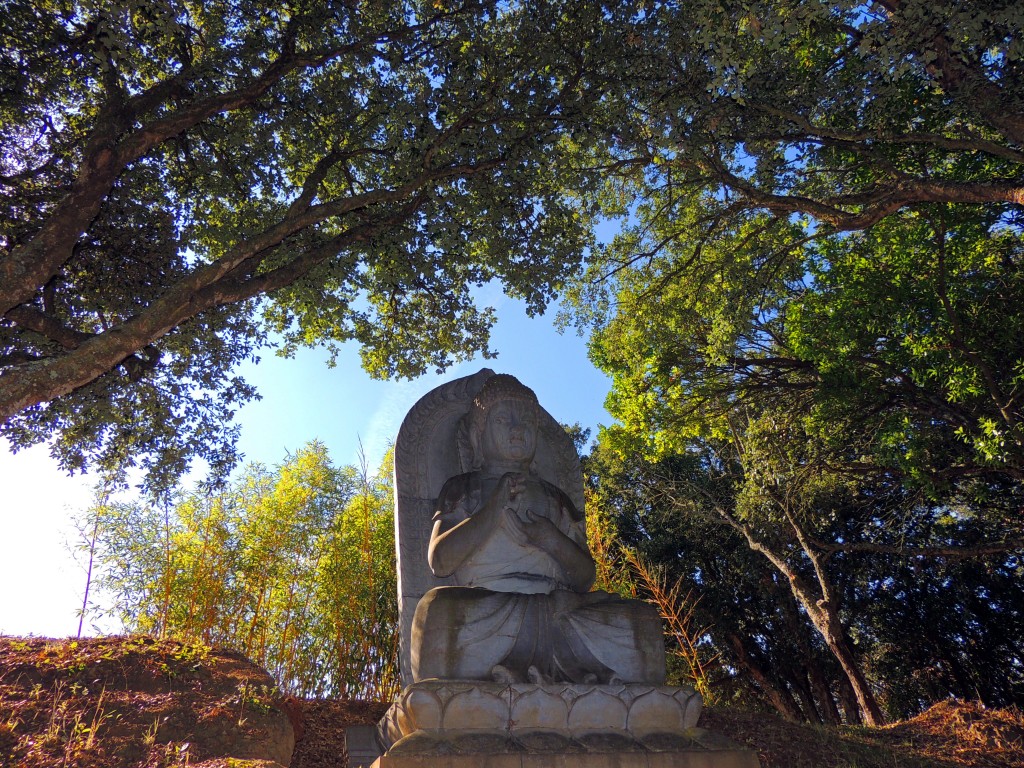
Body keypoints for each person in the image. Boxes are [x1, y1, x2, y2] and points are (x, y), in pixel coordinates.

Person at [411, 374, 666, 685]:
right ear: (478, 436)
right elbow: (440, 561)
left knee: (642, 620)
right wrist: (493, 507)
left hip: (562, 609)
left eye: (527, 422)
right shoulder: (464, 487)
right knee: (438, 612)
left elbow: (585, 577)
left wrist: (550, 540)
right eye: (504, 420)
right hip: (490, 609)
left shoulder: (554, 497)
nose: (517, 429)